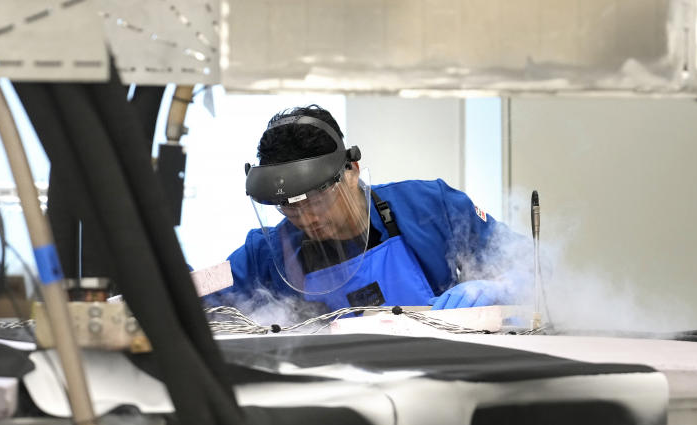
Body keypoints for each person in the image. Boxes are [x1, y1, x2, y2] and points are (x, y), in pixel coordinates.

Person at [207, 105, 531, 314]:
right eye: (289, 209)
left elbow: (534, 265)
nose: (306, 219)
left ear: (352, 171)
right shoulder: (268, 253)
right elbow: (196, 288)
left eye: (317, 201)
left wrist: (499, 288)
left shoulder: (431, 206)